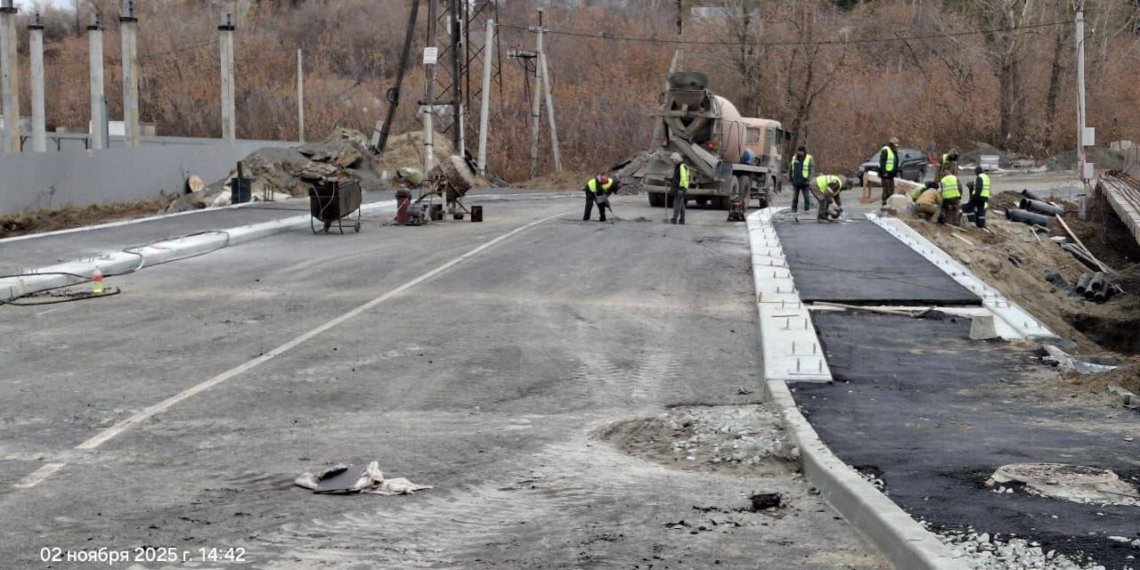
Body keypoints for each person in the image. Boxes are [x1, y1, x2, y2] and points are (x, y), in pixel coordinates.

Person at [788, 146, 814, 213]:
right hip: (796, 181)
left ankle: (807, 209)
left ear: (804, 152)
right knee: (795, 197)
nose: (800, 152)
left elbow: (812, 170)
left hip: (805, 182)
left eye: (801, 151)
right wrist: (790, 177)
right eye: (799, 151)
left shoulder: (809, 158)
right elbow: (791, 168)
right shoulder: (794, 158)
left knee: (806, 197)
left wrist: (809, 179)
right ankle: (794, 209)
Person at [668, 153, 691, 225]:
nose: (673, 161)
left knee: (677, 204)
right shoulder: (678, 166)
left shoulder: (681, 166)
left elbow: (683, 178)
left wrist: (682, 188)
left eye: (673, 160)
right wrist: (669, 180)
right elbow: (677, 178)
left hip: (680, 188)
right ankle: (682, 220)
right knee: (681, 205)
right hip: (679, 188)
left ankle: (674, 219)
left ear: (676, 159)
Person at [879, 137, 900, 207]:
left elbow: (895, 162)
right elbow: (882, 162)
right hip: (886, 174)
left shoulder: (894, 151)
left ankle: (889, 205)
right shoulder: (886, 150)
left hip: (891, 174)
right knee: (886, 191)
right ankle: (884, 204)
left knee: (891, 190)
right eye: (895, 144)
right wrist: (884, 172)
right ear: (891, 144)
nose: (896, 146)